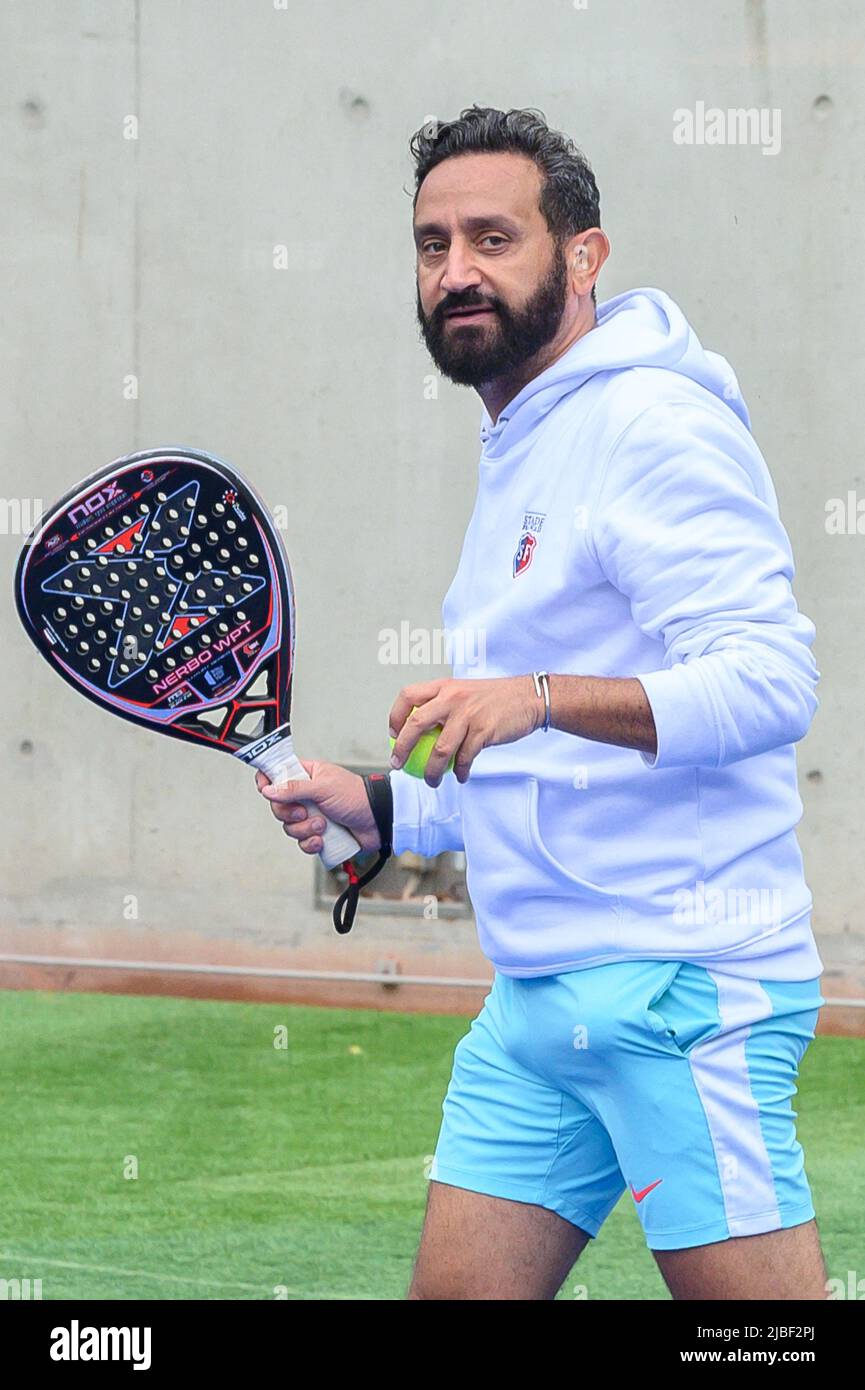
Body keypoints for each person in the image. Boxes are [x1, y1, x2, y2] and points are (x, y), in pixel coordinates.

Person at [257, 106, 827, 1301]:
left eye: (490, 237)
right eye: (430, 244)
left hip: (681, 989)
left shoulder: (651, 425)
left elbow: (772, 682)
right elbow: (535, 759)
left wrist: (541, 696)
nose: (455, 270)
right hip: (537, 1004)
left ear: (582, 257)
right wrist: (381, 804)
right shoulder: (521, 432)